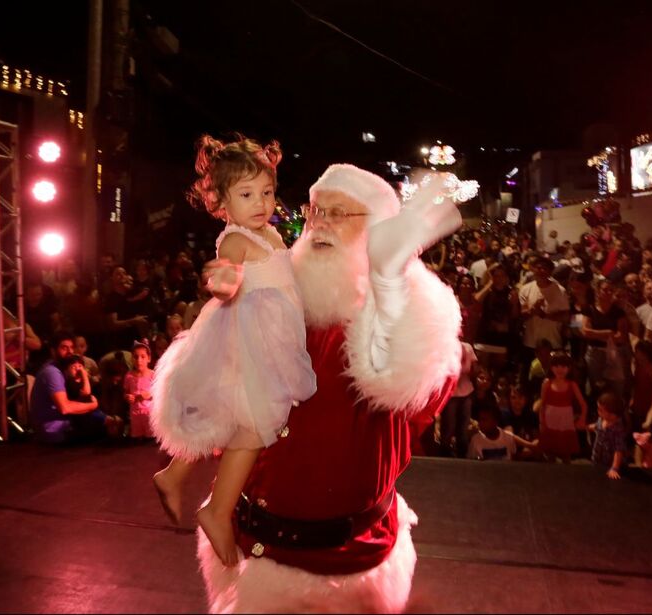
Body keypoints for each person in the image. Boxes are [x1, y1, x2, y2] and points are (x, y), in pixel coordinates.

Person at [163, 161, 461, 612]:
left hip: (351, 563)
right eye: (316, 211)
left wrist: (391, 281)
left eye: (339, 214)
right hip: (254, 545)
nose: (320, 225)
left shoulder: (402, 315)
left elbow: (410, 385)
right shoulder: (276, 291)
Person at [151, 135, 317, 567]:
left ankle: (174, 475)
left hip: (270, 343)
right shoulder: (237, 240)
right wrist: (221, 282)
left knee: (228, 419)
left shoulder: (270, 233)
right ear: (220, 203)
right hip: (249, 344)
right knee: (252, 428)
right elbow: (225, 281)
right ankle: (216, 511)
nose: (260, 202)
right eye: (246, 195)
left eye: (266, 192)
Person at [28, 332, 107, 444]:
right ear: (53, 351)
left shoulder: (62, 368)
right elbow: (65, 408)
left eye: (71, 348)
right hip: (56, 431)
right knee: (105, 428)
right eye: (64, 348)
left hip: (63, 423)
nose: (70, 352)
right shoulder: (52, 372)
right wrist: (92, 405)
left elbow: (83, 395)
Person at [536, 351, 587, 463]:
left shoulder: (571, 384)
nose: (560, 369)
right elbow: (542, 404)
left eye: (563, 366)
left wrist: (582, 419)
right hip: (550, 421)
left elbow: (583, 404)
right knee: (550, 453)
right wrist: (541, 422)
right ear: (551, 367)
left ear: (569, 368)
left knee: (565, 453)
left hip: (565, 421)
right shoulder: (547, 383)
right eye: (556, 366)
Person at [589, 392, 627, 479]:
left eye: (601, 410)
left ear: (612, 414)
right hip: (598, 458)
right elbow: (597, 426)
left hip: (610, 463)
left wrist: (614, 468)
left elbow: (619, 450)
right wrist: (587, 426)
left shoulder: (618, 429)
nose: (598, 411)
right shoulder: (602, 419)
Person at [124, 341, 155, 440]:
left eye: (142, 357)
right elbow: (125, 391)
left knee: (151, 437)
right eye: (135, 357)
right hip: (135, 412)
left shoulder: (152, 374)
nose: (139, 360)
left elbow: (160, 392)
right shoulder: (129, 376)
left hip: (149, 412)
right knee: (138, 439)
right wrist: (127, 397)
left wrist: (149, 395)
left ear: (148, 358)